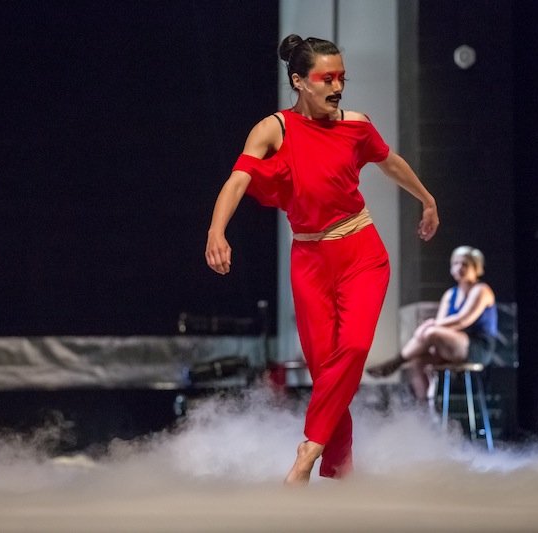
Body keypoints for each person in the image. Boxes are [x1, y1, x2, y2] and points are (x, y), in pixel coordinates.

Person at [205, 34, 438, 485]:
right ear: (299, 81)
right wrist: (217, 231)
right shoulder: (274, 129)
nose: (337, 86)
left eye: (341, 78)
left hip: (361, 253)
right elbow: (237, 182)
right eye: (326, 78)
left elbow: (391, 163)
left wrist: (427, 200)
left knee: (351, 349)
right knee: (327, 369)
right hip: (309, 261)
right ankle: (340, 471)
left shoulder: (356, 124)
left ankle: (308, 451)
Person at [366, 246, 497, 402]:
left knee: (432, 332)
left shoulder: (481, 290)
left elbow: (462, 320)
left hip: (477, 347)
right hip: (452, 346)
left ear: (476, 267)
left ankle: (395, 363)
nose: (459, 268)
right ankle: (426, 408)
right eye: (455, 263)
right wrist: (431, 327)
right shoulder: (450, 294)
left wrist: (430, 325)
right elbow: (441, 324)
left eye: (464, 264)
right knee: (417, 360)